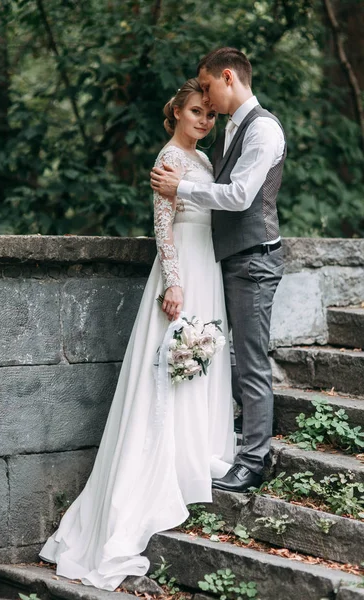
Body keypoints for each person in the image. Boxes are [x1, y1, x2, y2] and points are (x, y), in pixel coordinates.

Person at [39, 78, 235, 591]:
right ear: (176, 112)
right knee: (168, 366)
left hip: (207, 266)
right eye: (197, 111)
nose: (205, 120)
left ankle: (197, 448)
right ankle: (154, 472)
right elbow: (162, 226)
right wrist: (173, 282)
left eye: (211, 114)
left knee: (203, 357)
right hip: (183, 272)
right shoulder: (168, 158)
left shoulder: (206, 161)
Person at [151, 47, 286, 494]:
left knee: (250, 361)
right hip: (225, 261)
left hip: (254, 259)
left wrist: (182, 186)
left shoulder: (262, 129)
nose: (206, 101)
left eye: (207, 87)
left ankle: (253, 461)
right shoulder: (230, 131)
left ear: (228, 77)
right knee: (232, 359)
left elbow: (241, 195)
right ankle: (228, 449)